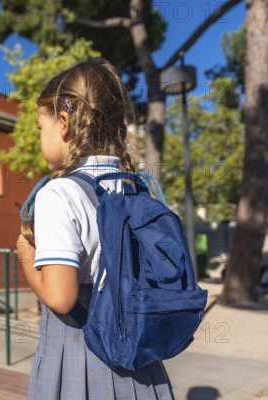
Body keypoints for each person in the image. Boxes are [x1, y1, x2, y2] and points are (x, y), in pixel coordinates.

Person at [17, 59, 174, 399]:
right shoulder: (138, 188)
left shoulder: (58, 193)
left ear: (63, 124)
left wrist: (25, 256)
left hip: (80, 358)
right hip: (143, 365)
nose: (39, 137)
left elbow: (62, 298)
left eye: (39, 128)